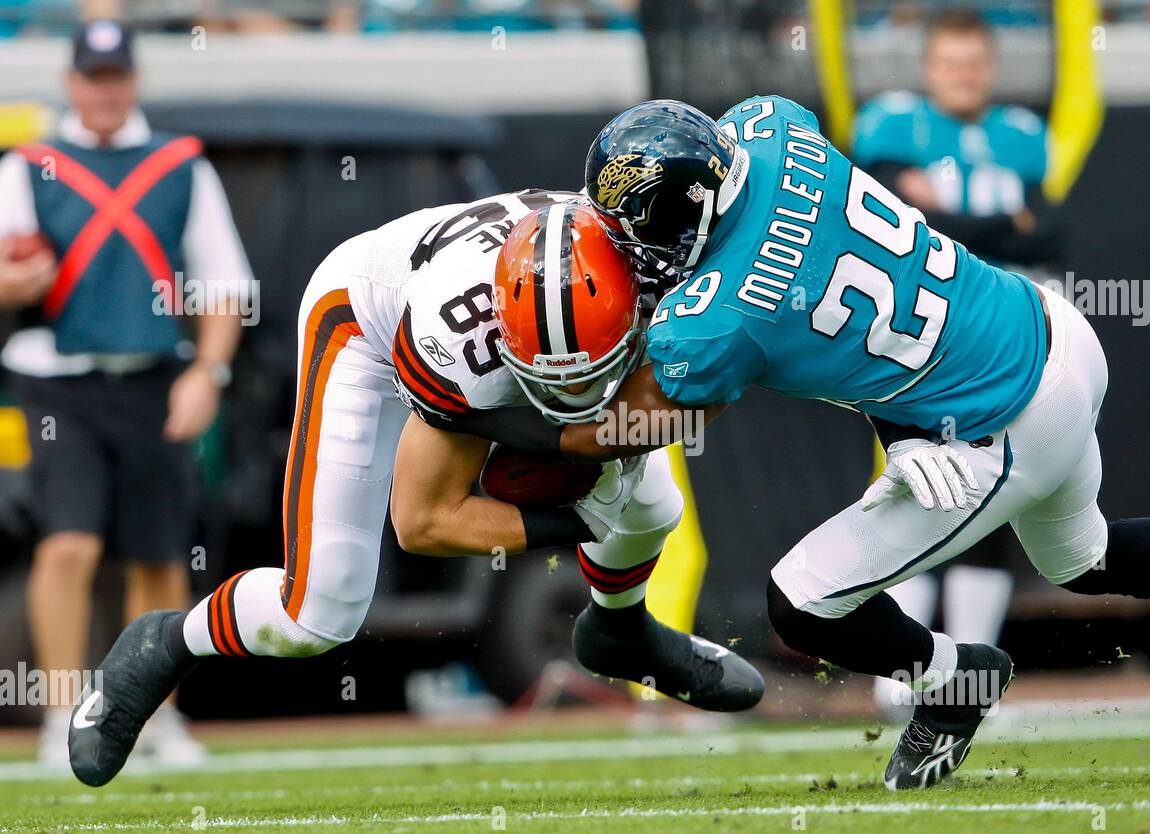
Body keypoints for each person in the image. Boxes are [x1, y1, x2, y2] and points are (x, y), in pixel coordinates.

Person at [556, 95, 1150, 789]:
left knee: (801, 602)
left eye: (643, 229)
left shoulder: (714, 324)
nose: (634, 249)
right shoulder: (772, 126)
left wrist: (537, 429)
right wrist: (906, 426)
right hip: (1047, 328)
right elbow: (838, 282)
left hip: (1003, 419)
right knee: (1085, 555)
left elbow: (648, 415)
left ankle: (955, 680)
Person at [67, 191, 763, 787]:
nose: (569, 396)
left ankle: (620, 628)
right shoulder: (461, 347)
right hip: (367, 321)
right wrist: (574, 520)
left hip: (532, 330)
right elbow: (423, 520)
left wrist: (602, 449)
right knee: (318, 610)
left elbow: (699, 394)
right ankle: (166, 641)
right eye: (549, 382)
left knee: (653, 504)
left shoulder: (654, 274)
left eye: (587, 377)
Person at [0, 20, 249, 767]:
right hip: (57, 378)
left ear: (132, 81)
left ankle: (154, 717)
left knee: (158, 552)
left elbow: (224, 285)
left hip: (152, 375)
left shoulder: (180, 165)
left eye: (115, 77)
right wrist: (14, 282)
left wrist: (208, 373)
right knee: (68, 544)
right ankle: (59, 716)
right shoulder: (30, 164)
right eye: (91, 77)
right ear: (72, 83)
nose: (104, 91)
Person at [850, 8, 1064, 700]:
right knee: (918, 489)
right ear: (928, 67)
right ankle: (899, 672)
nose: (963, 76)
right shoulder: (892, 123)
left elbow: (1048, 236)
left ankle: (968, 678)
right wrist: (996, 225)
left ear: (992, 69)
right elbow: (896, 220)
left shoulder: (1022, 134)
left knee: (993, 497)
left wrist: (951, 220)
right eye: (951, 63)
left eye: (974, 64)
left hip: (1000, 341)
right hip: (922, 341)